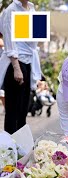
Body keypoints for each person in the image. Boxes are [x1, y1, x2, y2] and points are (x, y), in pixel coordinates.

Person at [0, 0, 42, 134]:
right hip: (16, 63)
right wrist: (16, 68)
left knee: (23, 109)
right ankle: (11, 149)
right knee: (13, 110)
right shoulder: (11, 10)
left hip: (28, 62)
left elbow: (32, 40)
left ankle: (22, 147)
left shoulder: (31, 8)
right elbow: (9, 40)